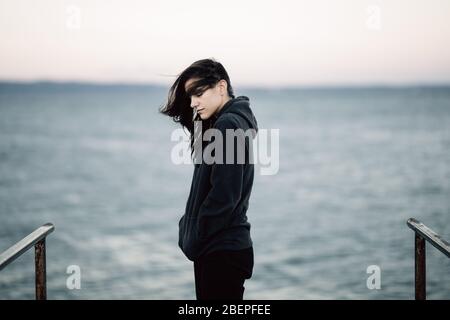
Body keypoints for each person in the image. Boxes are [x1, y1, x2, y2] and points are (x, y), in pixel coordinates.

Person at [160, 58, 258, 300]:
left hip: (221, 252)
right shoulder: (226, 123)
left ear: (221, 87)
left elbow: (225, 196)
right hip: (223, 249)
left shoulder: (228, 126)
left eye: (199, 93)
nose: (193, 103)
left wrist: (196, 232)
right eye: (190, 96)